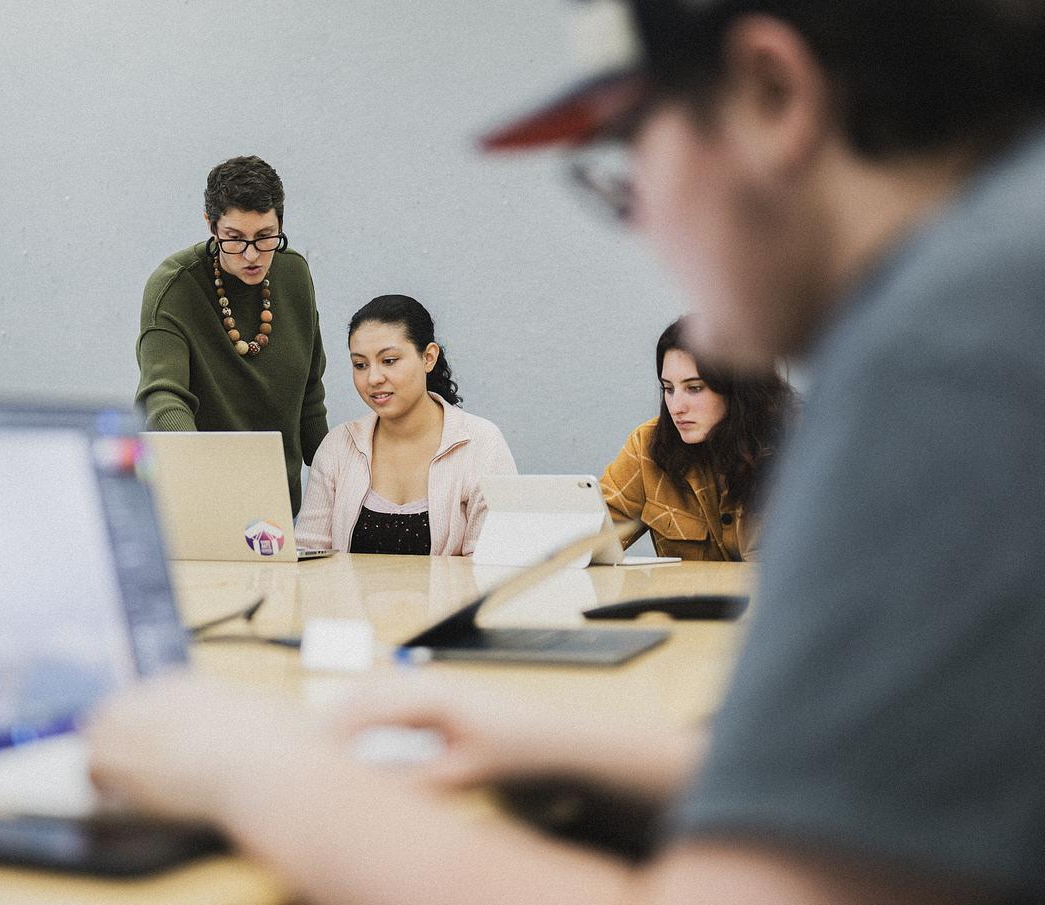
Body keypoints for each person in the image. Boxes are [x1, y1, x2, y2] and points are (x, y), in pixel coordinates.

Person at [89, 2, 1045, 903]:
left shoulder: (953, 348)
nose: (646, 225)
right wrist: (562, 741)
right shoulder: (1000, 272)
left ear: (771, 97)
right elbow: (908, 790)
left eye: (625, 161)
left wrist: (256, 771)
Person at [135, 155, 328, 515]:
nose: (252, 254)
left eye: (266, 237)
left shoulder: (294, 275)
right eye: (234, 239)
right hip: (203, 506)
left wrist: (344, 484)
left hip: (279, 513)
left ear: (281, 223)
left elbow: (310, 399)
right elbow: (162, 399)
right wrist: (206, 475)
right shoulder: (174, 288)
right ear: (210, 225)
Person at [295, 294, 516, 556]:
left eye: (389, 361)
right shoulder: (339, 446)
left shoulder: (481, 443)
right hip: (346, 599)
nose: (374, 378)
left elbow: (494, 566)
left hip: (455, 598)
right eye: (360, 365)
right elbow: (307, 558)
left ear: (428, 357)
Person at [601, 316, 792, 560]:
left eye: (694, 388)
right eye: (668, 389)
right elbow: (589, 542)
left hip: (768, 599)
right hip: (685, 599)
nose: (676, 407)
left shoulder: (801, 448)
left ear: (739, 388)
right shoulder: (647, 446)